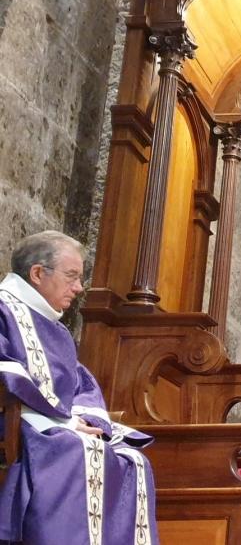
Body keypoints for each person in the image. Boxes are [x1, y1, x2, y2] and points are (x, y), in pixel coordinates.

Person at [0, 230, 158, 544]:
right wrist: (63, 421)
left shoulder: (54, 326)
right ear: (37, 273)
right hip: (14, 421)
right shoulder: (5, 309)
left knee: (133, 460)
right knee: (76, 449)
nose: (79, 287)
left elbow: (79, 383)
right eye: (72, 276)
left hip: (52, 424)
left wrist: (86, 420)